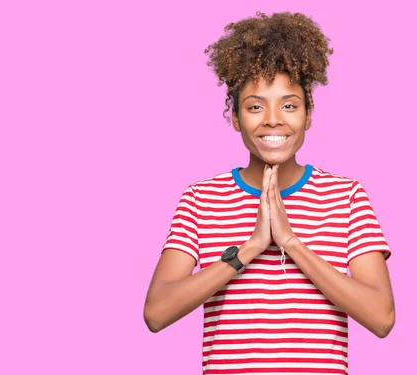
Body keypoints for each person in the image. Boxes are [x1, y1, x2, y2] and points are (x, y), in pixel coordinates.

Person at [143, 12, 395, 375]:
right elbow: (156, 312)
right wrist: (250, 248)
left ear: (308, 114)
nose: (273, 119)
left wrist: (290, 242)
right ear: (235, 117)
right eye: (255, 106)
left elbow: (381, 317)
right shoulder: (201, 199)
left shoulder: (348, 196)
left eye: (289, 105)